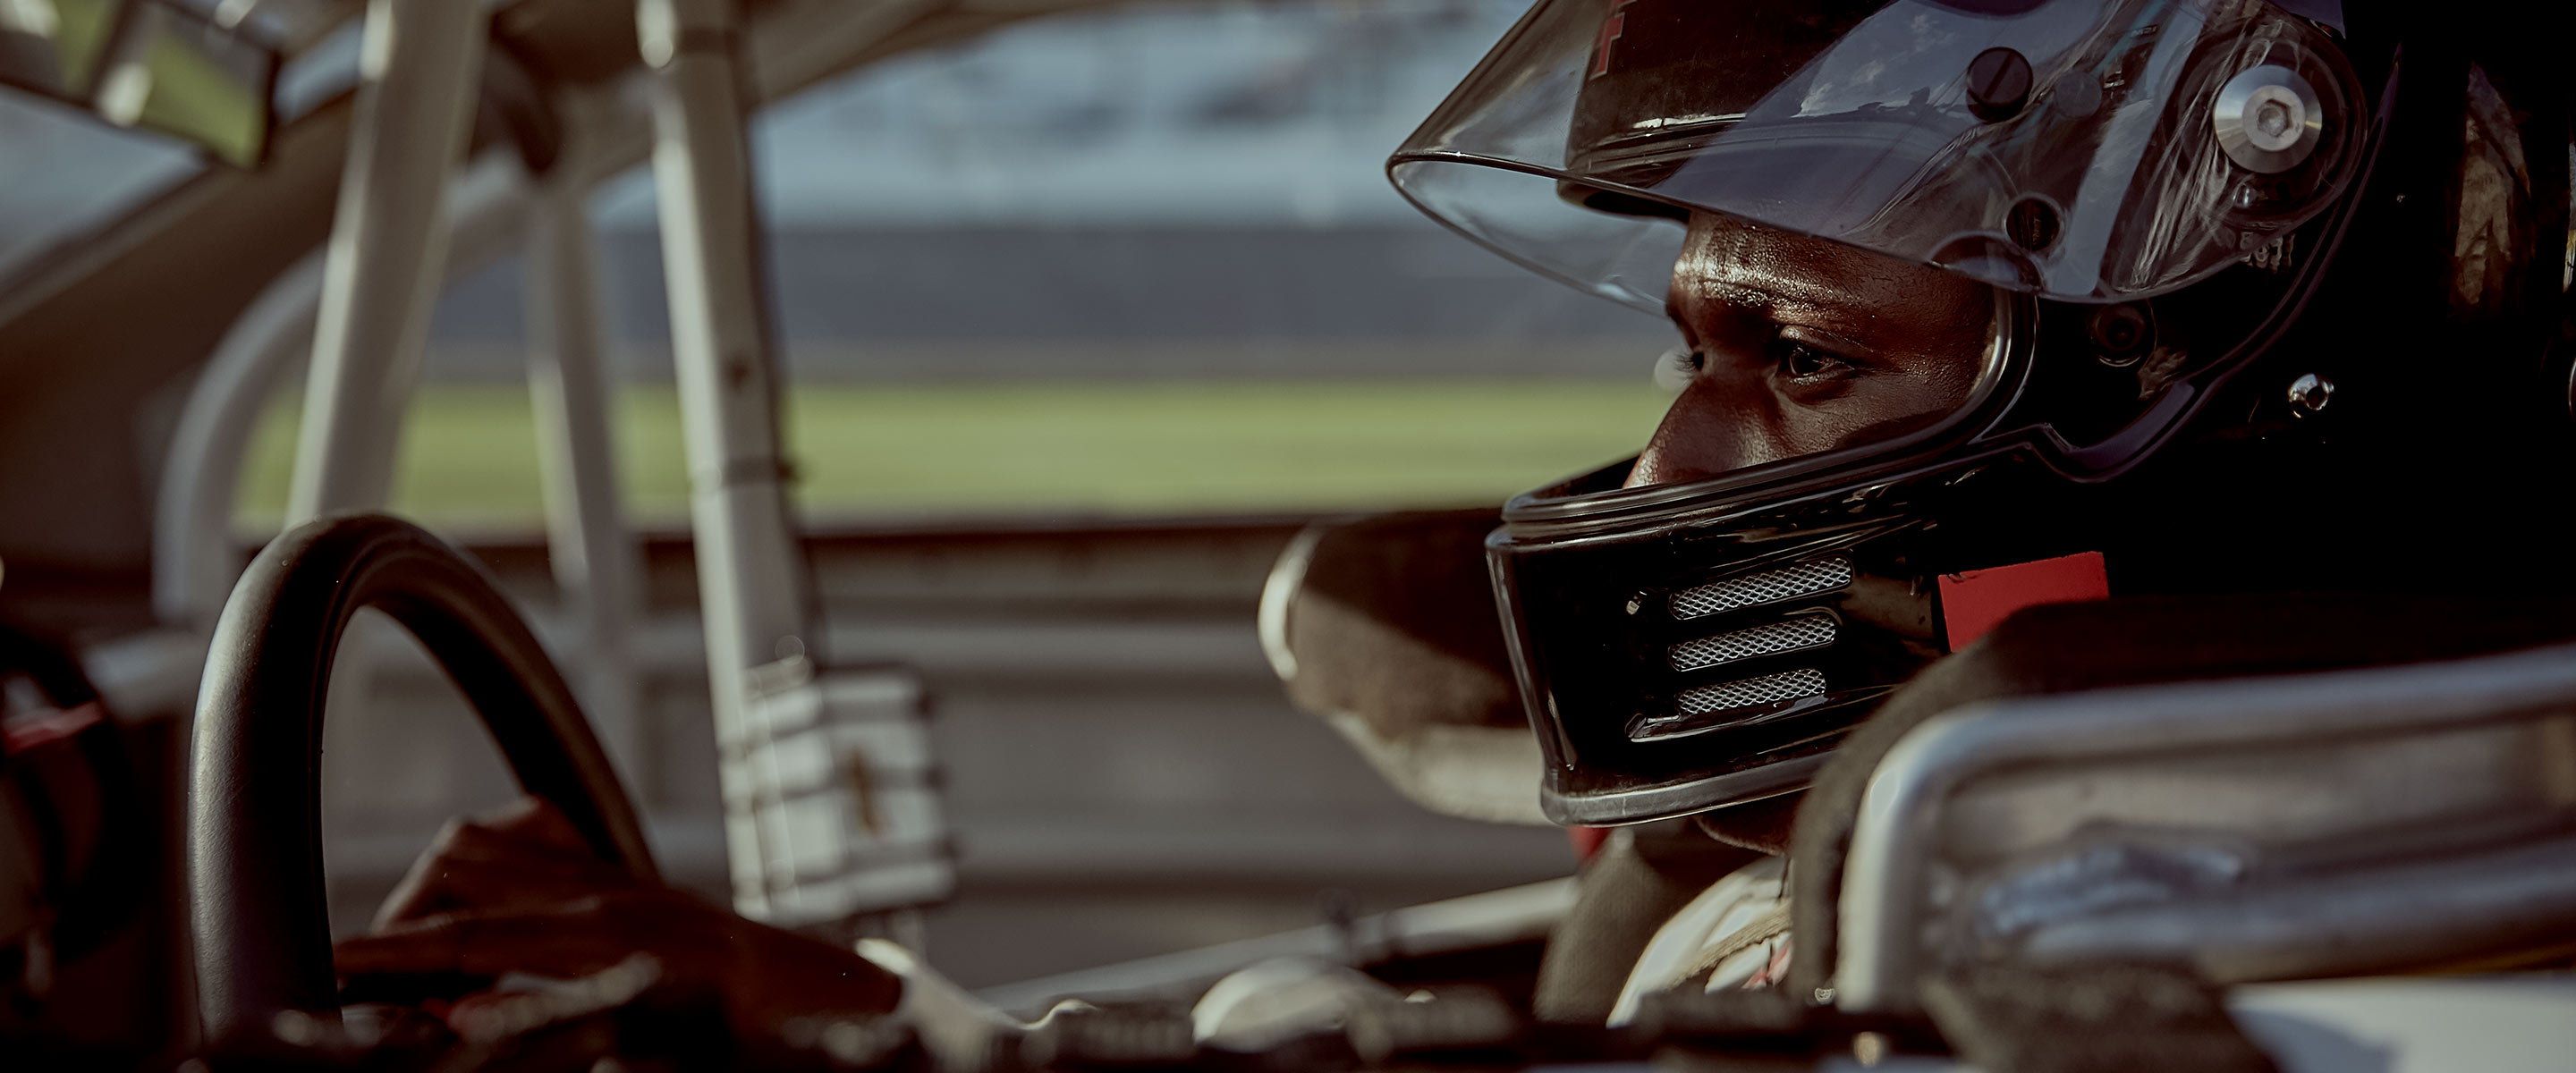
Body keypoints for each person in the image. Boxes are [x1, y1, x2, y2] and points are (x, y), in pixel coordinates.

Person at [341, 0, 2576, 1049]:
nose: (1676, 463)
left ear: (2194, 413)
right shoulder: (1951, 869)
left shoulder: (2132, 939)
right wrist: (845, 1011)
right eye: (1693, 340)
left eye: (1797, 353)